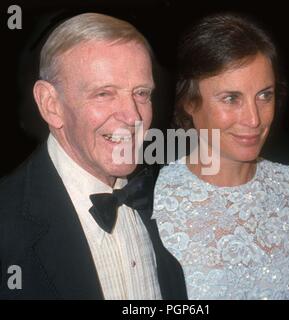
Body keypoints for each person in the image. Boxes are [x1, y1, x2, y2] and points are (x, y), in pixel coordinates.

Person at [0, 12, 187, 300]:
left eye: (141, 93)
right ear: (51, 105)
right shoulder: (7, 225)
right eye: (104, 94)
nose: (133, 116)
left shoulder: (169, 200)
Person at [152, 13, 289, 299]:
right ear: (190, 102)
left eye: (265, 95)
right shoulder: (153, 199)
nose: (254, 119)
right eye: (231, 99)